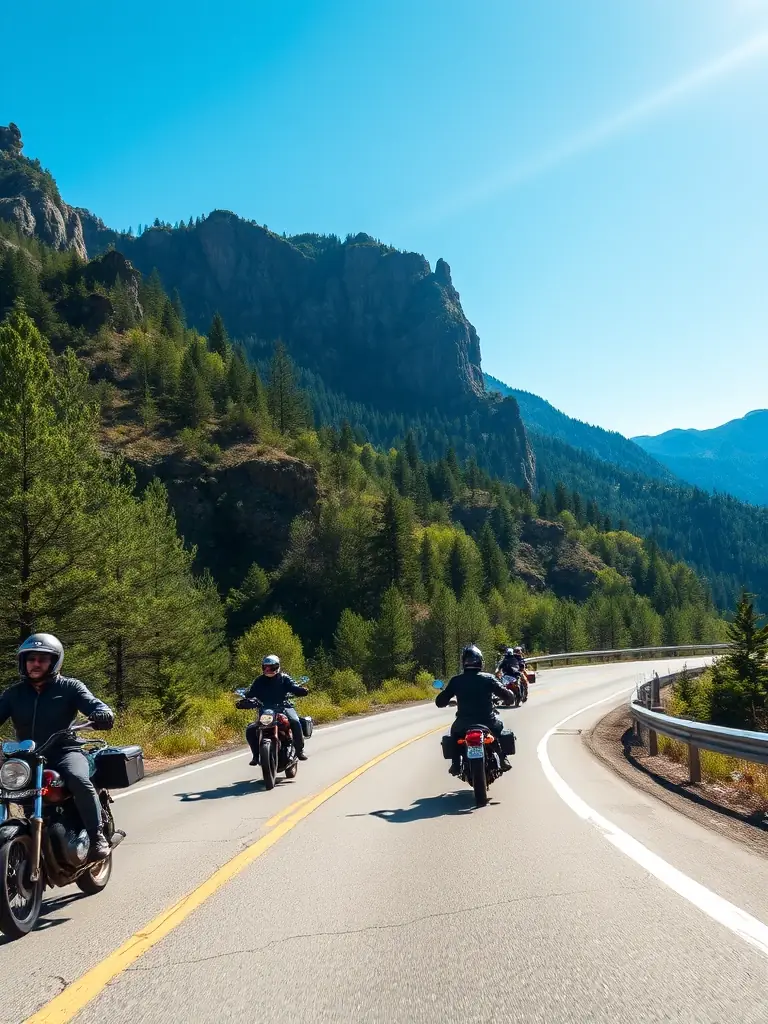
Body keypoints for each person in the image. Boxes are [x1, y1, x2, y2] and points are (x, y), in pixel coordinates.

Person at [0, 633, 115, 861]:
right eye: (31, 659)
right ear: (23, 662)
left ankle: (96, 835)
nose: (35, 664)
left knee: (77, 778)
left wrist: (102, 713)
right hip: (27, 757)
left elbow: (93, 704)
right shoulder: (14, 694)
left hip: (64, 751)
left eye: (42, 659)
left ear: (54, 662)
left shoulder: (70, 687)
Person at [435, 645, 515, 776]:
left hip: (464, 723)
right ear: (480, 661)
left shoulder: (456, 681)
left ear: (464, 662)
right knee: (499, 729)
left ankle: (455, 764)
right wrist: (509, 697)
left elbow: (440, 701)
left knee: (454, 734)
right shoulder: (489, 678)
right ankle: (502, 758)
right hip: (488, 721)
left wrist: (446, 700)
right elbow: (509, 697)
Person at [239, 655, 309, 764]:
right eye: (265, 667)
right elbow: (250, 693)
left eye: (270, 667)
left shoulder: (284, 678)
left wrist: (301, 690)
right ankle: (256, 756)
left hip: (284, 706)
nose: (267, 670)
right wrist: (244, 700)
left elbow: (293, 687)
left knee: (295, 721)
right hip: (266, 709)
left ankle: (299, 751)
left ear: (277, 667)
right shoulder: (259, 680)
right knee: (251, 729)